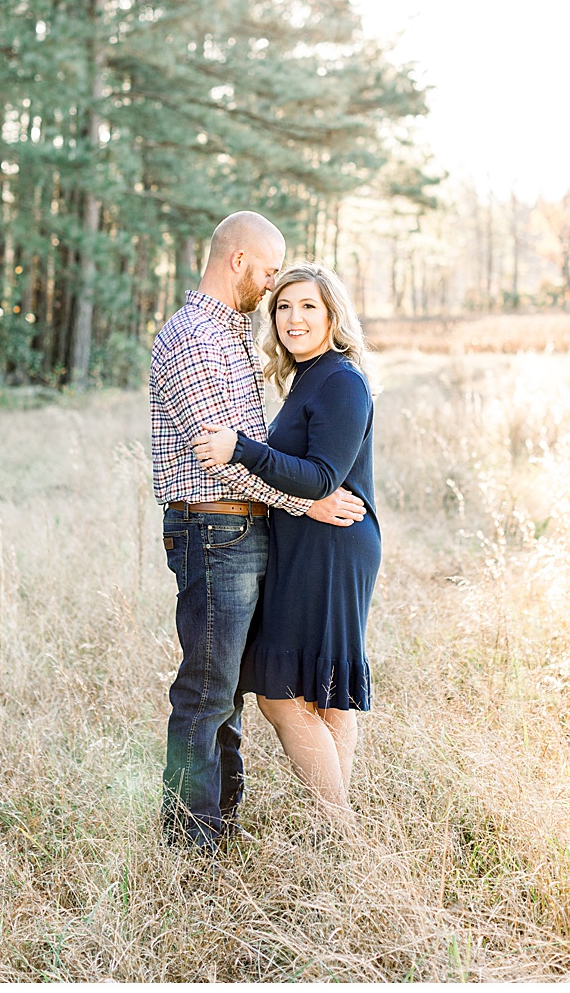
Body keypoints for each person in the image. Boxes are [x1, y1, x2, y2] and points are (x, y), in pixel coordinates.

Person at [146, 211, 367, 849]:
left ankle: (220, 826)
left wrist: (297, 501)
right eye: (269, 273)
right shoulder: (194, 338)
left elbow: (250, 449)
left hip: (244, 533)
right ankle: (191, 845)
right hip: (214, 531)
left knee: (231, 694)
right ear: (239, 259)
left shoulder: (231, 337)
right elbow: (224, 459)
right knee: (208, 691)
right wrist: (309, 504)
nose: (271, 289)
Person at [191, 262, 380, 821]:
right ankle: (338, 832)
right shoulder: (310, 376)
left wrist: (242, 448)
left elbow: (322, 477)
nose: (293, 318)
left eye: (308, 307)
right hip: (310, 542)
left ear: (332, 315)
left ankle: (339, 825)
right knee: (322, 692)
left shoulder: (341, 380)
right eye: (283, 307)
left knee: (281, 692)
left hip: (332, 548)